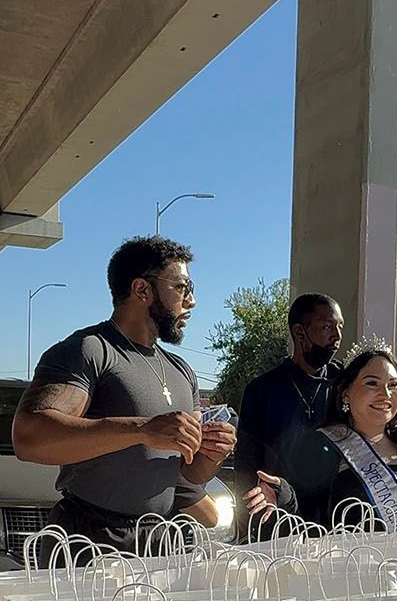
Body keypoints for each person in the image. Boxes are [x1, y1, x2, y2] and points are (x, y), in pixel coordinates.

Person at [12, 235, 236, 551]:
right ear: (141, 289)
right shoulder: (88, 350)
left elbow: (187, 476)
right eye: (183, 288)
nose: (191, 301)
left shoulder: (181, 371)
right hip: (88, 539)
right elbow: (29, 438)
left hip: (159, 539)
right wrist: (142, 430)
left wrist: (212, 454)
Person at [248, 348, 397, 530]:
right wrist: (283, 496)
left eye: (393, 385)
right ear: (346, 393)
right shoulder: (323, 445)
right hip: (352, 567)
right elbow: (306, 517)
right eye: (372, 383)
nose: (385, 394)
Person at [234, 293, 344, 530]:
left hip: (335, 519)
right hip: (279, 521)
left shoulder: (345, 384)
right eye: (327, 327)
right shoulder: (262, 390)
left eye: (339, 327)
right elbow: (246, 463)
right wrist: (247, 526)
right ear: (299, 332)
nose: (337, 337)